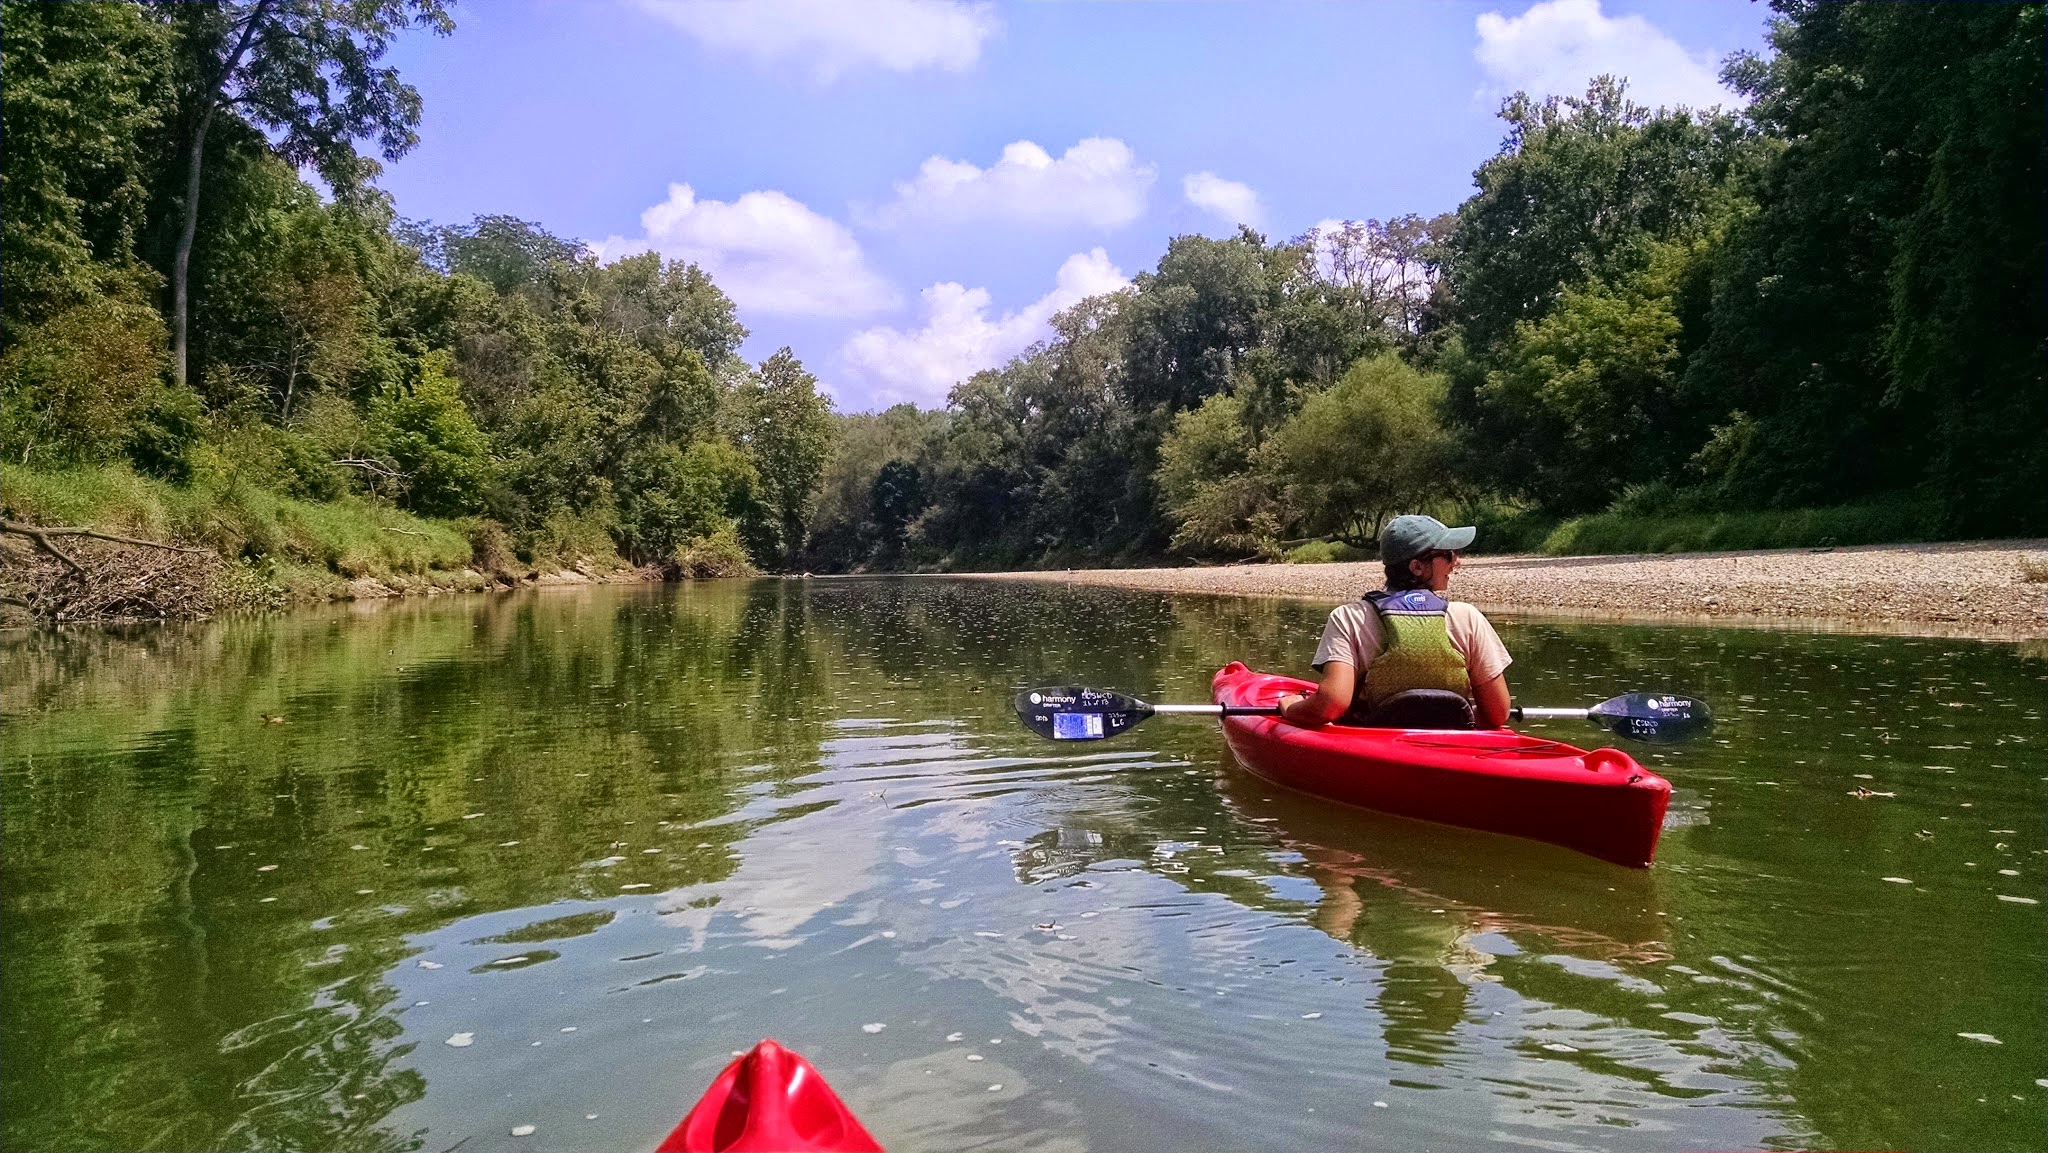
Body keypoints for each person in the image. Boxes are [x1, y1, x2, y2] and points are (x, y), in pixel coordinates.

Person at [1275, 514, 1512, 730]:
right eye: (1448, 554)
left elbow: (1331, 705)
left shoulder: (1350, 618)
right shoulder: (1468, 618)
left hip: (1374, 743)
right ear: (1417, 567)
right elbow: (1498, 713)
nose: (1457, 562)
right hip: (1453, 744)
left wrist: (1291, 708)